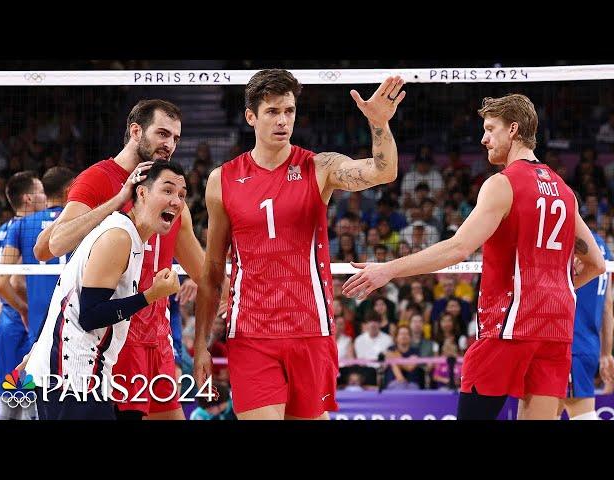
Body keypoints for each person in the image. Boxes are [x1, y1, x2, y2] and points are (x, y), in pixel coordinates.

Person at [343, 93, 606, 420]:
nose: (483, 138)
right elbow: (595, 263)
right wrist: (553, 289)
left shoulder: (503, 184)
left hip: (509, 326)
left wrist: (388, 270)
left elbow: (458, 248)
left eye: (490, 129)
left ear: (512, 129)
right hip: (556, 328)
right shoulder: (564, 191)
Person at [195, 69, 406, 420]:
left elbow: (382, 172)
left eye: (289, 111)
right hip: (251, 333)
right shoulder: (222, 180)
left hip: (310, 328)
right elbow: (214, 266)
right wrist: (201, 343)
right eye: (273, 112)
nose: (283, 120)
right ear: (251, 117)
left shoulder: (318, 166)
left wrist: (379, 124)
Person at [32, 99, 221, 420]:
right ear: (135, 131)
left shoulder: (174, 198)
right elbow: (46, 248)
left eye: (176, 138)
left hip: (157, 343)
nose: (170, 145)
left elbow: (207, 278)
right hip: (110, 341)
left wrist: (202, 345)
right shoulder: (99, 178)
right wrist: (117, 201)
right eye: (162, 134)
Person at [24, 161, 184, 420]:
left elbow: (65, 294)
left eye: (182, 195)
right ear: (141, 193)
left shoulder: (131, 238)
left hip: (80, 375)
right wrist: (150, 295)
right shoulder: (118, 236)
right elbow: (90, 316)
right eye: (167, 191)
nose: (176, 201)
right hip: (71, 377)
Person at [0, 171, 47, 420]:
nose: (46, 197)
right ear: (29, 199)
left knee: (9, 408)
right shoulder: (28, 231)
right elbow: (13, 283)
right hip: (24, 324)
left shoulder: (2, 230)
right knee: (27, 410)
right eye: (42, 191)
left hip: (4, 326)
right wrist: (27, 310)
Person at [0, 167, 76, 346]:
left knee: (35, 374)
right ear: (70, 190)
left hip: (38, 317)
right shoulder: (83, 220)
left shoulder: (21, 225)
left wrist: (24, 310)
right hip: (73, 315)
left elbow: (0, 283)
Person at [558, 229, 614, 419]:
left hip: (572, 345)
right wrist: (606, 353)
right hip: (587, 345)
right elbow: (607, 306)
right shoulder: (603, 248)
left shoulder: (573, 242)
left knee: (580, 414)